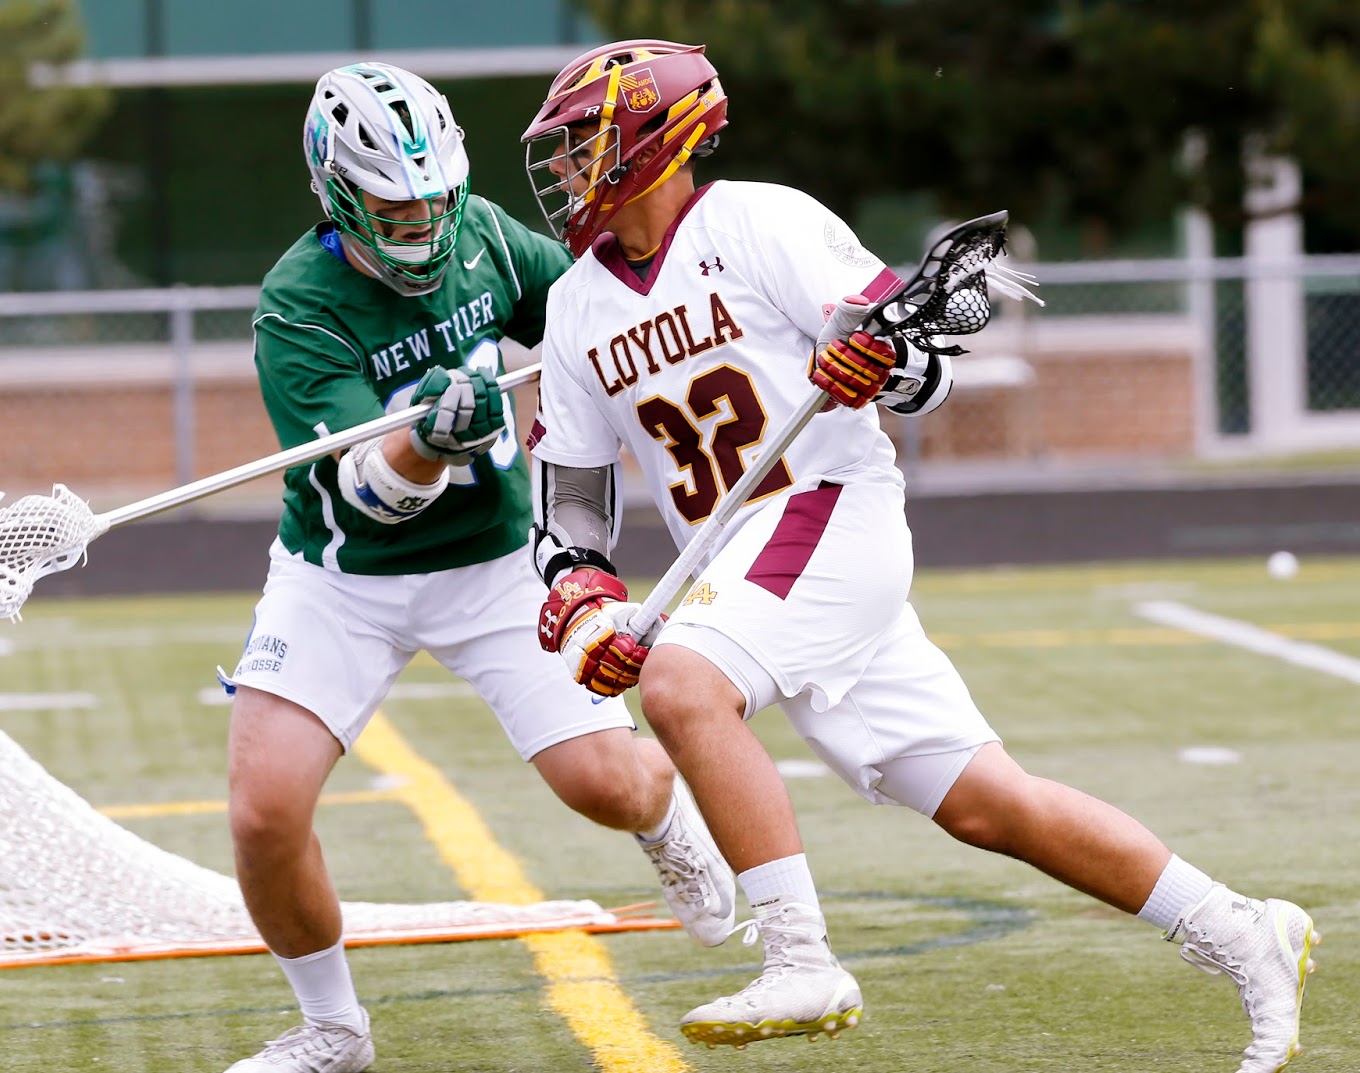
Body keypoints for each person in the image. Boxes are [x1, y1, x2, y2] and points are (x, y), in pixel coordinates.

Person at [519, 38, 1319, 1073]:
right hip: (744, 557)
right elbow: (572, 491)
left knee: (679, 685)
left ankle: (801, 957)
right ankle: (1242, 928)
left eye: (582, 140)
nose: (566, 166)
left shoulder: (758, 221)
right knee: (989, 802)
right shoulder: (577, 303)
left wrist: (882, 363)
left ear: (653, 134)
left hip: (826, 507)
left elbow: (926, 362)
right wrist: (585, 597)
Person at [218, 61, 735, 1073]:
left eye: (434, 202)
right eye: (393, 211)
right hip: (344, 577)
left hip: (496, 560)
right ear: (337, 194)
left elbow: (596, 316)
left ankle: (668, 819)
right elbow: (372, 493)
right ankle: (333, 1028)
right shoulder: (296, 305)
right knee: (263, 808)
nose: (422, 227)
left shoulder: (486, 235)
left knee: (606, 785)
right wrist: (430, 440)